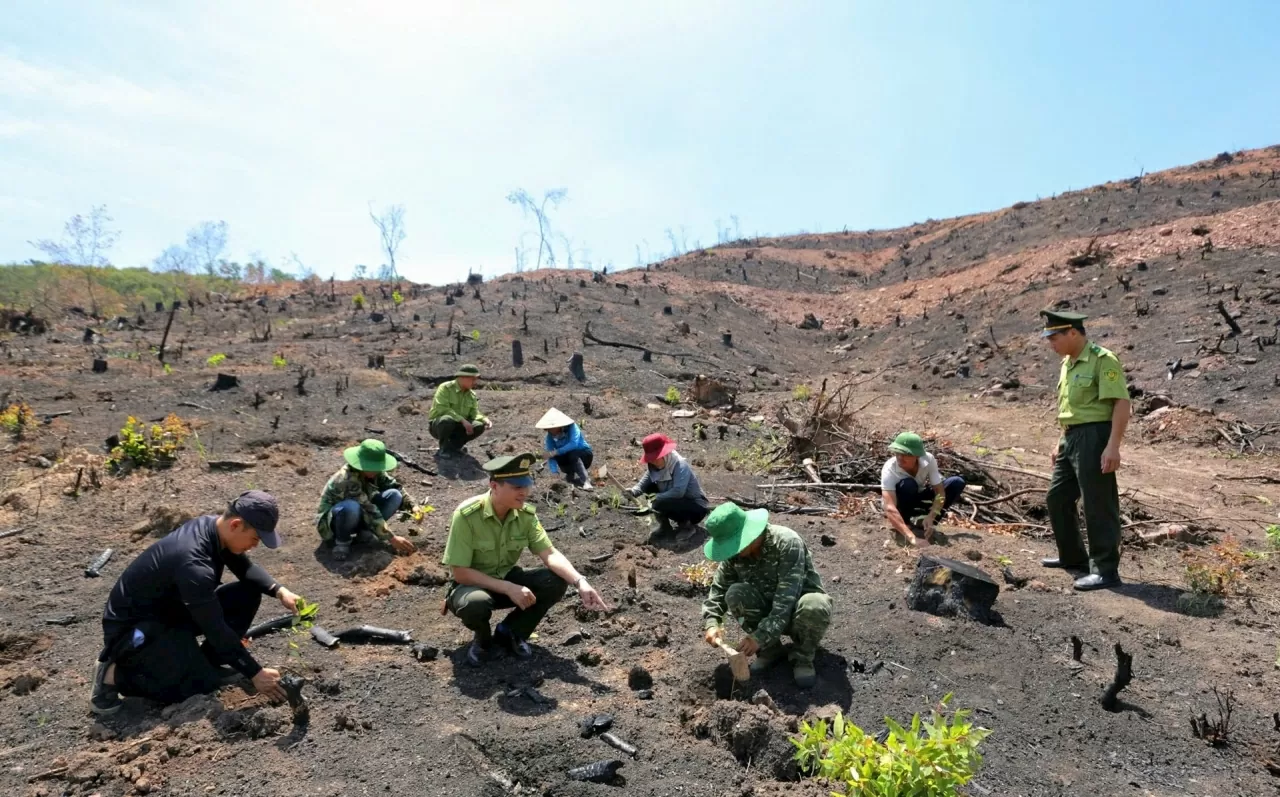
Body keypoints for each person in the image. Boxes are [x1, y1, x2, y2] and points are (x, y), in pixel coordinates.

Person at [91, 491, 297, 715]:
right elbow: (215, 628)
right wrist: (255, 673)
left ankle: (206, 665)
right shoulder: (194, 565)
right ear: (236, 525)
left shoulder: (212, 526)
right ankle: (112, 675)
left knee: (247, 594)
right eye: (255, 539)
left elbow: (244, 568)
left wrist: (279, 591)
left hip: (168, 613)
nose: (255, 546)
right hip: (134, 632)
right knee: (195, 689)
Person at [442, 453, 610, 666]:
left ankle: (511, 632)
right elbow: (460, 572)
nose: (525, 492)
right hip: (472, 585)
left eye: (526, 485)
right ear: (494, 485)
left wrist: (580, 582)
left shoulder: (525, 515)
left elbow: (549, 554)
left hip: (506, 577)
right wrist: (508, 588)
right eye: (516, 487)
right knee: (475, 604)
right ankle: (483, 640)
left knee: (555, 581)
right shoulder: (467, 515)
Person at [1039, 310, 1131, 591]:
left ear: (1073, 333)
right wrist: (1060, 441)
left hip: (1095, 436)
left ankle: (1105, 570)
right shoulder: (1068, 363)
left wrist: (1113, 446)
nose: (1051, 344)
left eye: (1054, 337)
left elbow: (1121, 404)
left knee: (1097, 503)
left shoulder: (1103, 360)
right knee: (1057, 498)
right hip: (1071, 437)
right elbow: (1072, 409)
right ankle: (1073, 557)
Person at [700, 502, 831, 689]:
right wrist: (713, 622)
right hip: (766, 609)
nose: (732, 552)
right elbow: (719, 589)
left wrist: (758, 637)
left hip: (798, 613)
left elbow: (786, 601)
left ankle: (803, 656)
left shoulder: (787, 543)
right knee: (735, 593)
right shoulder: (735, 556)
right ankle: (771, 650)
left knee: (814, 605)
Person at [315, 438, 417, 561]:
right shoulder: (346, 479)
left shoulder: (375, 472)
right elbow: (368, 508)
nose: (376, 470)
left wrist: (413, 506)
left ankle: (364, 533)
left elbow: (395, 486)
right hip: (335, 521)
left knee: (394, 495)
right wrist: (391, 538)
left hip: (360, 513)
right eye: (371, 467)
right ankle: (342, 542)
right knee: (351, 507)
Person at [880, 432, 966, 547]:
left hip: (917, 497)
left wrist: (932, 516)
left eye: (905, 454)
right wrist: (912, 538)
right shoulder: (889, 468)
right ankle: (906, 524)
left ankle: (927, 524)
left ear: (917, 455)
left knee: (956, 482)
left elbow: (940, 492)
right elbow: (889, 507)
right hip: (899, 504)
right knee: (908, 484)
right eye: (897, 452)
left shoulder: (928, 459)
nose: (900, 457)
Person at [626, 433, 710, 535]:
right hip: (673, 502)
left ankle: (687, 526)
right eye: (651, 459)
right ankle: (664, 525)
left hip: (695, 508)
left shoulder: (680, 465)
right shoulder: (654, 467)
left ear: (665, 453)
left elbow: (678, 492)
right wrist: (633, 491)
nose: (654, 461)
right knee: (650, 488)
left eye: (656, 457)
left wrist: (656, 498)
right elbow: (643, 485)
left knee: (660, 502)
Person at [428, 364, 492, 458]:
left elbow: (474, 413)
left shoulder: (471, 395)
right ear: (462, 377)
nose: (475, 382)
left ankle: (455, 447)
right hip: (439, 426)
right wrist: (463, 420)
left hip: (459, 427)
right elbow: (442, 408)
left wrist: (485, 419)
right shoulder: (445, 388)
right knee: (447, 420)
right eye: (472, 379)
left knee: (479, 425)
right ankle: (444, 449)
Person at [536, 407, 594, 490]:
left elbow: (574, 444)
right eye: (548, 429)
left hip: (584, 455)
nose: (550, 430)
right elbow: (550, 455)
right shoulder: (549, 437)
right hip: (568, 459)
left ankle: (586, 481)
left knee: (572, 454)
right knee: (557, 455)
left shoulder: (572, 428)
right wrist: (554, 471)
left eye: (552, 428)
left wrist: (557, 452)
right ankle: (570, 475)